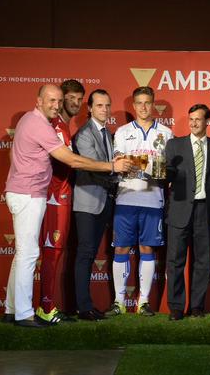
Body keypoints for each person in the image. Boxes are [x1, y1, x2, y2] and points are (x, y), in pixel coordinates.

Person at [3, 84, 131, 328]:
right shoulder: (39, 124)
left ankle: (11, 309)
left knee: (23, 254)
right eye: (51, 100)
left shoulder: (30, 120)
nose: (56, 105)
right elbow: (70, 159)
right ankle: (23, 313)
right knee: (28, 254)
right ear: (39, 100)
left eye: (58, 101)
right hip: (28, 194)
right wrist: (113, 167)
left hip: (25, 191)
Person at [108, 86, 173, 316]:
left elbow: (167, 168)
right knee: (121, 249)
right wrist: (148, 165)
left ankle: (143, 302)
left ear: (153, 104)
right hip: (126, 198)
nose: (144, 107)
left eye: (147, 102)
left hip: (153, 199)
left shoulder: (166, 133)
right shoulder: (122, 132)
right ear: (133, 106)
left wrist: (137, 163)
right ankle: (119, 301)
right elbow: (120, 164)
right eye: (139, 103)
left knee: (147, 249)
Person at [165, 104, 210, 321]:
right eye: (191, 119)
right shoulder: (174, 145)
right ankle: (176, 308)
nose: (194, 123)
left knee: (202, 261)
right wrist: (163, 171)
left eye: (198, 119)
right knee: (175, 261)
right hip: (180, 209)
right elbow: (167, 174)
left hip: (205, 210)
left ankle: (197, 306)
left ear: (207, 121)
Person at [35, 79, 85, 325]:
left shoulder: (64, 126)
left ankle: (49, 305)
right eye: (71, 98)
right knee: (51, 254)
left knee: (55, 253)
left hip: (63, 197)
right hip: (53, 198)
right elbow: (68, 162)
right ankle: (45, 307)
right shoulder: (54, 126)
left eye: (79, 99)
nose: (75, 103)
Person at [73, 89, 122, 321]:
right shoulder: (84, 134)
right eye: (100, 105)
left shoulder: (107, 133)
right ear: (90, 108)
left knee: (91, 254)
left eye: (107, 105)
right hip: (87, 203)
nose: (105, 110)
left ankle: (87, 305)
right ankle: (83, 307)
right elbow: (90, 165)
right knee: (85, 254)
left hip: (104, 201)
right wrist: (116, 170)